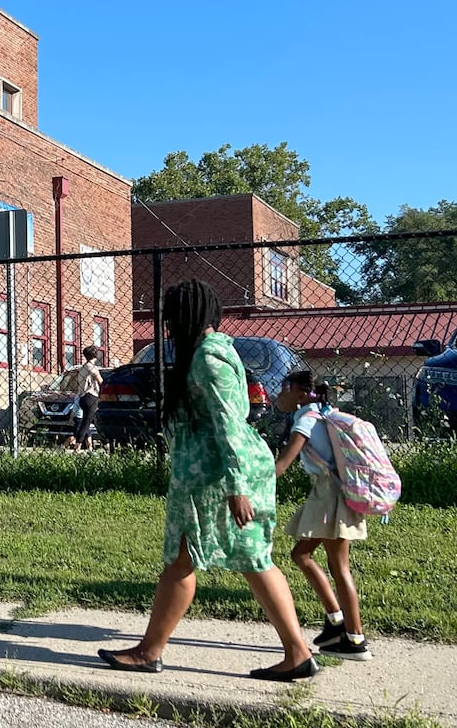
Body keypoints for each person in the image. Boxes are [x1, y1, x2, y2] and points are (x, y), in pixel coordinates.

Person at [97, 280, 316, 682]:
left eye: (171, 318)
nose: (169, 326)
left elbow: (229, 424)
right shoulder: (215, 353)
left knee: (191, 558)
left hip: (216, 475)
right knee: (241, 560)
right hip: (216, 472)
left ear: (184, 317)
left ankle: (150, 652)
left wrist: (236, 487)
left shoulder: (208, 362)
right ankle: (296, 653)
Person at [275, 370, 371, 661]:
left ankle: (355, 640)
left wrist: (253, 483)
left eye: (284, 388)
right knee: (301, 555)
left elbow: (283, 464)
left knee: (339, 567)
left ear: (302, 393)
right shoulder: (323, 412)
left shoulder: (305, 420)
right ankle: (335, 620)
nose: (280, 395)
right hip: (327, 495)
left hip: (331, 497)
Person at [70, 346, 104, 452]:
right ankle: (78, 446)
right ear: (96, 355)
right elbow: (101, 382)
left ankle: (101, 443)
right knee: (87, 423)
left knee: (87, 421)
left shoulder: (82, 368)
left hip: (82, 397)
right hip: (91, 396)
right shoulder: (92, 368)